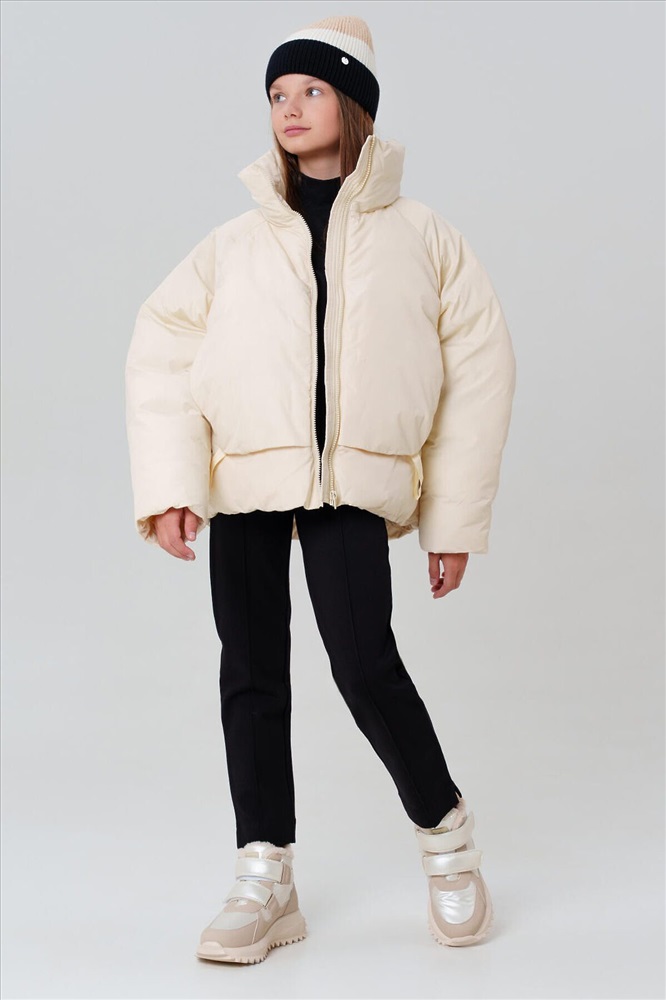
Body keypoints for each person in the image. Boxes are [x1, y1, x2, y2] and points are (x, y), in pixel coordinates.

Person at [124, 14, 516, 964]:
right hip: (246, 480)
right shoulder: (233, 243)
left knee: (364, 663)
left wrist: (451, 519)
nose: (289, 109)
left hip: (355, 485)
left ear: (354, 104)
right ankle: (266, 872)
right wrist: (172, 483)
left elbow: (477, 375)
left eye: (309, 90)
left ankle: (448, 838)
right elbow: (163, 352)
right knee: (251, 672)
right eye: (276, 94)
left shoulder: (424, 239)